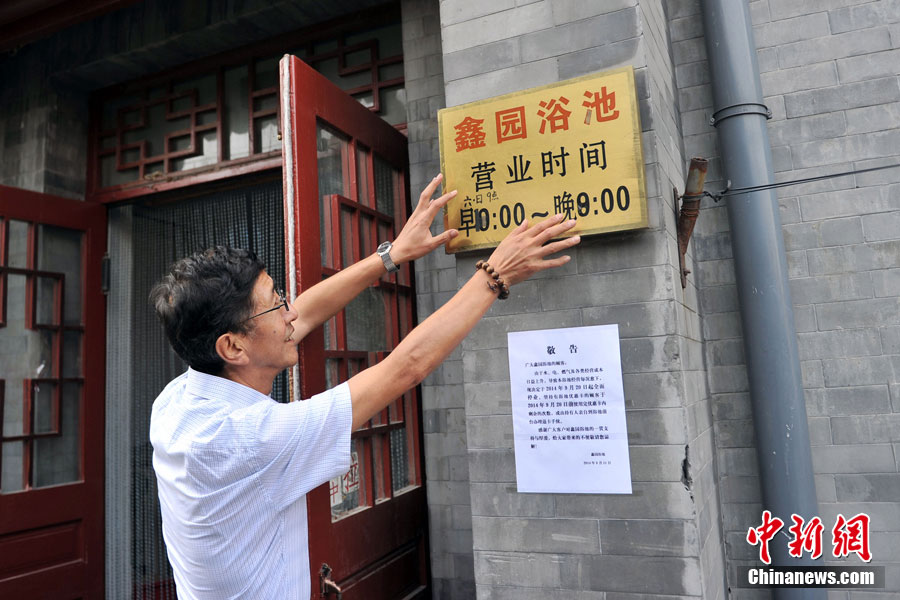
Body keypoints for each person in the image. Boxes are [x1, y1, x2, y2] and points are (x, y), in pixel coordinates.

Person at [149, 173, 580, 599]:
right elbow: (404, 368)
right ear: (233, 347)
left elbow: (305, 312)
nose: (290, 314)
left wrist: (392, 255)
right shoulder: (246, 441)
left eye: (279, 293)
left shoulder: (180, 399)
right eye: (275, 305)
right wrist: (494, 274)